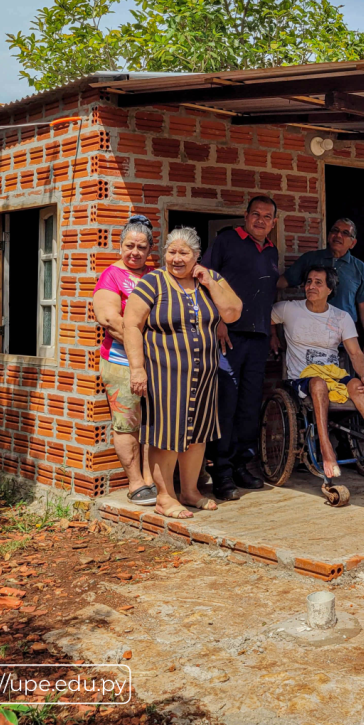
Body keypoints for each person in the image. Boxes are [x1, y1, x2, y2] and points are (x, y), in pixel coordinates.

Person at [123, 227, 242, 520]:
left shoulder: (209, 279)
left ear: (197, 256)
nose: (176, 259)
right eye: (171, 252)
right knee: (166, 435)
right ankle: (165, 497)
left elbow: (233, 312)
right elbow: (131, 325)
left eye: (184, 253)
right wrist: (137, 368)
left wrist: (210, 283)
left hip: (204, 374)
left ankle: (190, 491)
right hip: (164, 375)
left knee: (197, 433)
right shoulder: (153, 282)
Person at [270, 266, 364, 479]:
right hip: (302, 378)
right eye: (308, 281)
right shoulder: (289, 309)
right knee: (318, 383)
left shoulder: (341, 317)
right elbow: (264, 317)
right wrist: (273, 336)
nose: (311, 286)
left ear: (329, 289)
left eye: (318, 282)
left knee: (356, 385)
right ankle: (326, 449)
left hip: (333, 375)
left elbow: (355, 352)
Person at [200, 196, 280, 501]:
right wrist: (217, 319)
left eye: (267, 217)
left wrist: (271, 330)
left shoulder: (271, 250)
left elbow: (267, 294)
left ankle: (241, 466)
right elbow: (203, 279)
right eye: (255, 214)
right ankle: (220, 472)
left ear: (273, 222)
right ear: (245, 216)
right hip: (228, 336)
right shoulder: (227, 241)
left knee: (248, 405)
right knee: (226, 404)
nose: (261, 220)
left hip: (258, 339)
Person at [92, 214, 157, 506]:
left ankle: (153, 479)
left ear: (150, 249)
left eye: (141, 247)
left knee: (154, 422)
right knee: (127, 422)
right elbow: (109, 318)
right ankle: (135, 483)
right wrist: (142, 346)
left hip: (157, 363)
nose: (135, 252)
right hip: (121, 362)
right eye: (129, 245)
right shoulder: (112, 276)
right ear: (120, 246)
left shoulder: (156, 274)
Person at [279, 218, 364, 366]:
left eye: (345, 233)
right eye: (335, 231)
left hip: (343, 342)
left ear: (353, 243)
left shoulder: (359, 268)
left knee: (343, 386)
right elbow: (282, 283)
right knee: (313, 385)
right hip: (310, 339)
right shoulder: (311, 259)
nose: (338, 236)